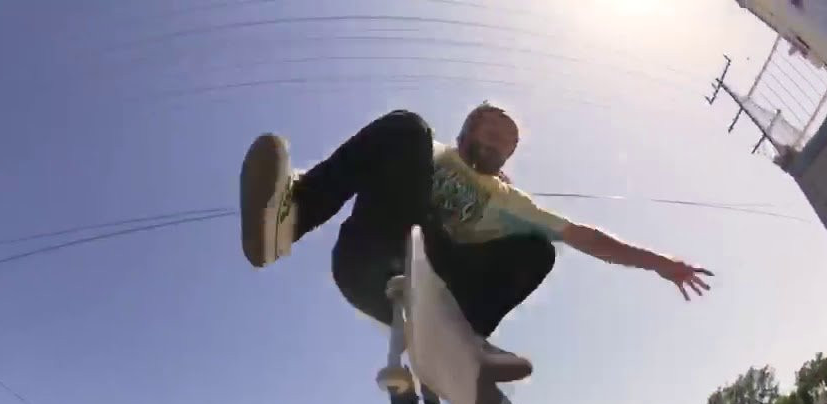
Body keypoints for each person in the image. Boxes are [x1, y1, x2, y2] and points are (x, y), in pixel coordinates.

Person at [239, 104, 713, 381]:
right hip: (370, 262)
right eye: (486, 136)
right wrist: (291, 183)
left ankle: (461, 341)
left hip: (435, 289)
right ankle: (288, 219)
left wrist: (658, 263)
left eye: (503, 145)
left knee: (538, 248)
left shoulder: (507, 199)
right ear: (464, 132)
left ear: (512, 155)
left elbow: (585, 237)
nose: (493, 147)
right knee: (405, 127)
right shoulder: (427, 152)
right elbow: (358, 162)